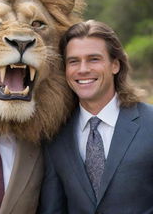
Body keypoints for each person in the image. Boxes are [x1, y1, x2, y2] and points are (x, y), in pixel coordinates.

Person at [39, 20, 153, 214]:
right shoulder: (55, 134)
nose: (83, 69)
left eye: (93, 59)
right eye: (73, 61)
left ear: (115, 65)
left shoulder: (149, 123)